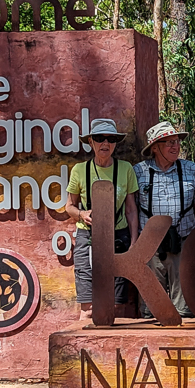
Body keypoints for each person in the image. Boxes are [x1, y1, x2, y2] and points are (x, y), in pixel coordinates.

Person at [65, 118, 139, 319]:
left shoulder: (126, 169)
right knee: (88, 308)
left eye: (110, 139)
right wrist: (82, 214)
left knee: (117, 306)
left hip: (118, 237)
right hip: (87, 237)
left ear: (116, 143)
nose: (105, 144)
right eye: (99, 138)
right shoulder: (80, 170)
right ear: (91, 142)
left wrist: (133, 242)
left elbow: (131, 210)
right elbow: (69, 207)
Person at [134, 121, 195, 319]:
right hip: (150, 248)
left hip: (182, 243)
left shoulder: (190, 169)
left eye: (176, 141)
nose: (175, 146)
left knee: (184, 307)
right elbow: (132, 208)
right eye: (169, 143)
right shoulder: (138, 171)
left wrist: (189, 234)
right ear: (155, 148)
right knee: (151, 307)